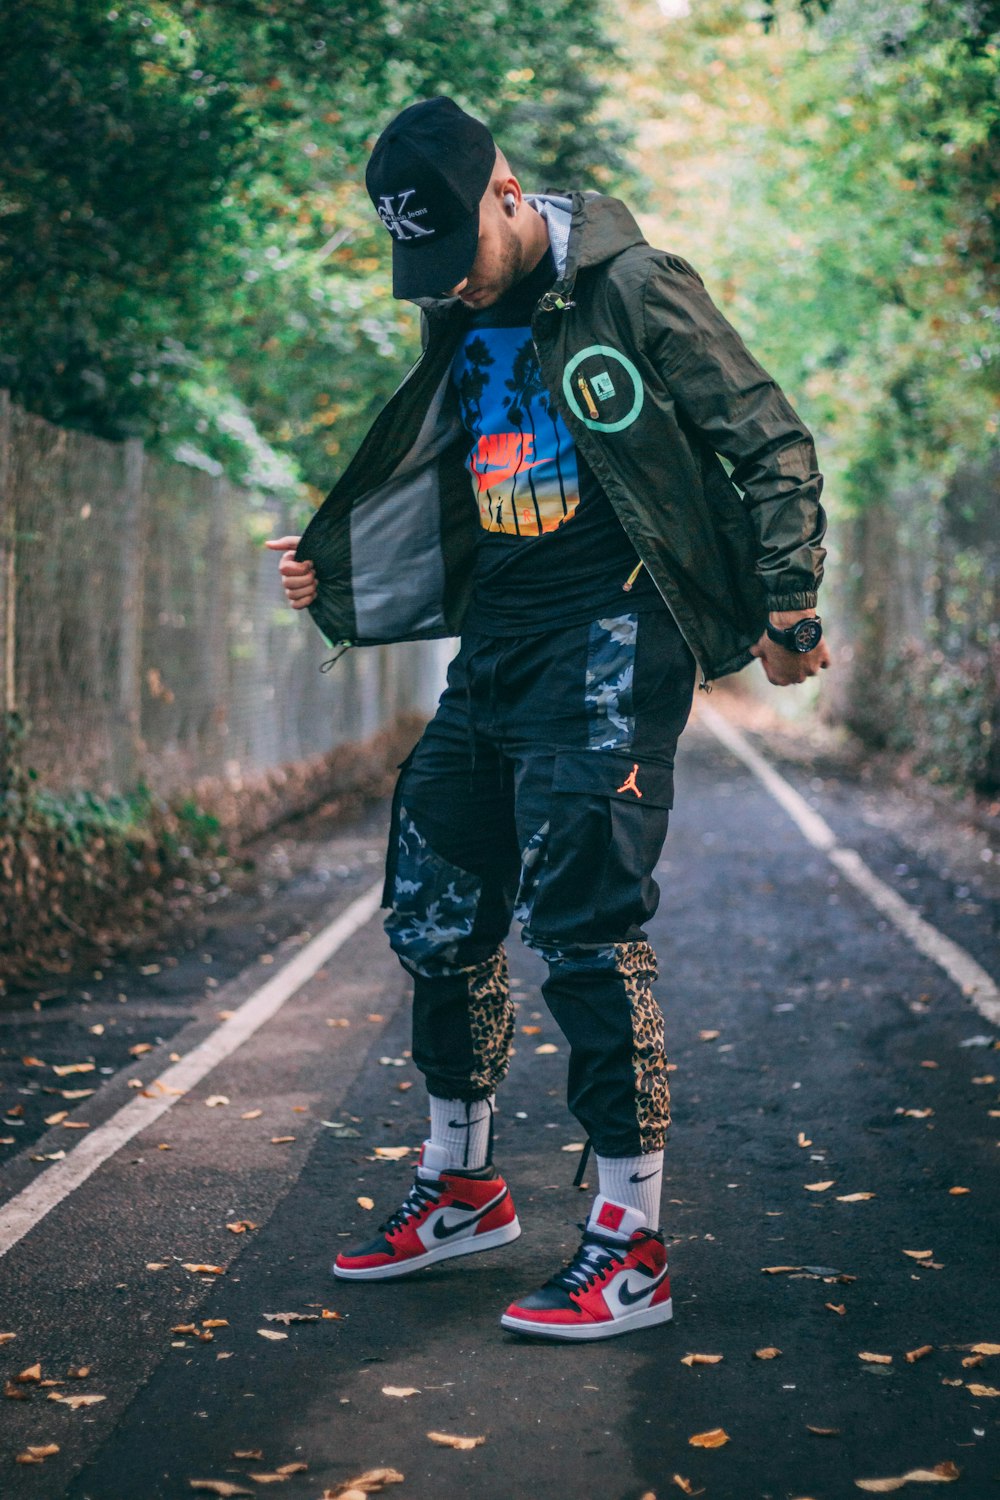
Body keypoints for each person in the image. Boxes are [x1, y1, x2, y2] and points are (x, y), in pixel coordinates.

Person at [266, 96, 829, 1342]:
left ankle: (630, 1243)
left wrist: (787, 605)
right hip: (500, 648)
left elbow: (770, 439)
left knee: (582, 927)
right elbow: (461, 475)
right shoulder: (454, 296)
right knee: (435, 900)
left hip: (617, 642)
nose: (450, 289)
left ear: (508, 197)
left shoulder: (635, 285)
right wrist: (338, 572)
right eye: (426, 272)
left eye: (457, 257)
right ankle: (463, 1185)